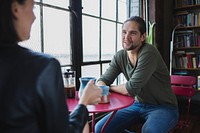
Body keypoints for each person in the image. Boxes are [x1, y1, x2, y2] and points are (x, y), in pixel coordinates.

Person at [0, 0, 102, 133]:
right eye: (33, 8)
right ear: (15, 9)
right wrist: (84, 102)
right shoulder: (43, 67)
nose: (34, 17)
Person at [95, 16, 179, 133]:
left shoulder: (149, 52)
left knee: (150, 131)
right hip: (137, 104)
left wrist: (107, 88)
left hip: (163, 107)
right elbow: (103, 79)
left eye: (133, 33)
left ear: (143, 37)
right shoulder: (120, 56)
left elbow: (130, 89)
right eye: (124, 32)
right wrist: (102, 86)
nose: (126, 37)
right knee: (100, 129)